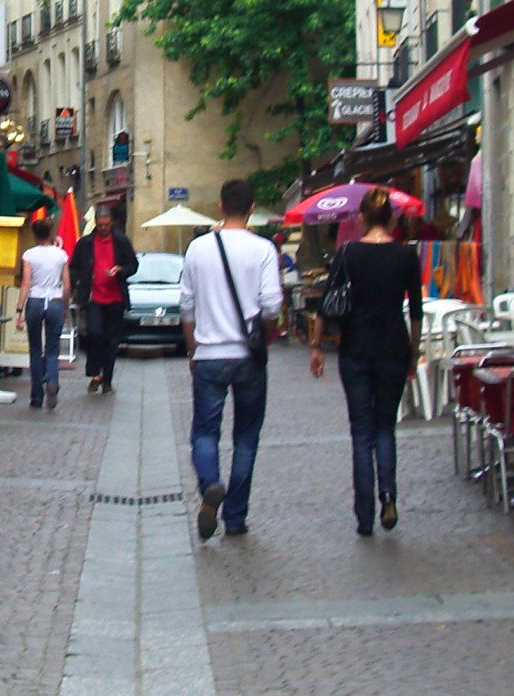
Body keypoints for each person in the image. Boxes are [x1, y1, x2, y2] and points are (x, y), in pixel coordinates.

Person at [308, 187, 424, 535]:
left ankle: (364, 515)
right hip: (393, 346)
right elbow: (415, 312)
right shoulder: (406, 256)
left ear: (360, 218)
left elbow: (327, 302)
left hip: (356, 347)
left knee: (361, 430)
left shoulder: (348, 254)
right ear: (390, 217)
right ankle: (388, 495)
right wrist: (414, 354)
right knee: (385, 426)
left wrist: (316, 345)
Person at [179, 179, 283, 541]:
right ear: (252, 207)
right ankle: (235, 517)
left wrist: (192, 350)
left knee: (204, 432)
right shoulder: (264, 249)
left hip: (208, 354)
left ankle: (210, 483)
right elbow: (272, 305)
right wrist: (264, 336)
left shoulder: (197, 249)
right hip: (248, 357)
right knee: (246, 437)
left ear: (220, 206)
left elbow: (187, 306)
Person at [68, 204, 139, 394]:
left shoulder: (121, 241)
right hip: (94, 297)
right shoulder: (85, 243)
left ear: (111, 223)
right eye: (100, 225)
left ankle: (107, 379)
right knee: (94, 334)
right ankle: (94, 373)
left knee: (111, 340)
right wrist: (80, 280)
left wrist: (121, 270)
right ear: (96, 224)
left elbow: (133, 264)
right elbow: (73, 267)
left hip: (115, 298)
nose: (103, 228)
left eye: (106, 225)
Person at [18, 215, 70, 410]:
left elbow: (26, 283)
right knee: (52, 349)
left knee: (34, 349)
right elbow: (66, 285)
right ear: (51, 233)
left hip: (35, 301)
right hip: (55, 301)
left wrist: (18, 310)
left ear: (34, 234)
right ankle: (52, 381)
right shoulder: (61, 255)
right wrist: (65, 307)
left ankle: (36, 396)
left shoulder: (29, 255)